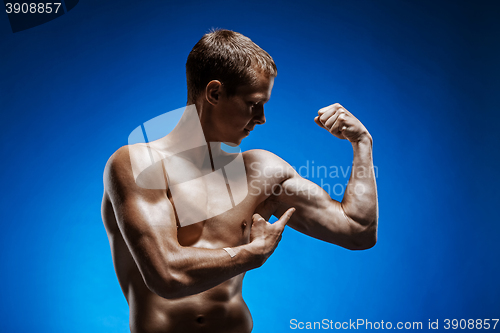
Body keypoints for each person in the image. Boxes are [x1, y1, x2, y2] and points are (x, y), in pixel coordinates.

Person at [101, 29, 378, 333]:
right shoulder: (139, 163)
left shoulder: (261, 171)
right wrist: (251, 254)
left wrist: (362, 144)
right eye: (253, 103)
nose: (261, 118)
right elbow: (167, 275)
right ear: (215, 93)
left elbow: (358, 231)